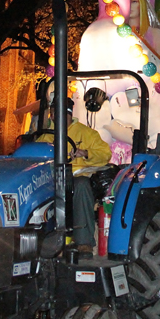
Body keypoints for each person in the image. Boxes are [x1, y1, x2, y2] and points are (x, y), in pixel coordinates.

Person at [37, 97, 112, 258]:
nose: (59, 118)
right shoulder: (45, 137)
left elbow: (105, 154)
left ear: (70, 114)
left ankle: (84, 241)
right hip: (51, 179)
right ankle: (40, 240)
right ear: (50, 115)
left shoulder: (87, 134)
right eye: (54, 114)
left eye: (63, 114)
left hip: (78, 177)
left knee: (82, 185)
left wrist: (84, 153)